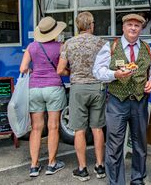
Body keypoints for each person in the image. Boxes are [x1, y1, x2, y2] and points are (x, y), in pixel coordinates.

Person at [93, 13, 151, 185]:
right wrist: (115, 74)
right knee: (114, 145)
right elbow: (97, 72)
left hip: (139, 101)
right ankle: (115, 182)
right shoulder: (111, 47)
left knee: (140, 144)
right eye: (130, 25)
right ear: (123, 27)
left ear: (141, 29)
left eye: (137, 25)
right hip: (116, 102)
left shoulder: (147, 49)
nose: (133, 28)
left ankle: (137, 179)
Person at [57, 12, 107, 182]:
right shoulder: (102, 43)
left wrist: (73, 72)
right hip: (97, 88)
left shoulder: (68, 44)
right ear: (91, 25)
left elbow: (60, 70)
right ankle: (100, 166)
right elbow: (107, 67)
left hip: (78, 88)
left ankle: (82, 169)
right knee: (97, 128)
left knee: (79, 130)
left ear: (78, 25)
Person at [19, 16, 67, 178]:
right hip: (54, 88)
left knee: (37, 128)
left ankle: (34, 166)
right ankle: (52, 164)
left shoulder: (32, 46)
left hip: (35, 89)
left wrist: (33, 72)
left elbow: (23, 68)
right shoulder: (60, 47)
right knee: (53, 127)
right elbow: (63, 68)